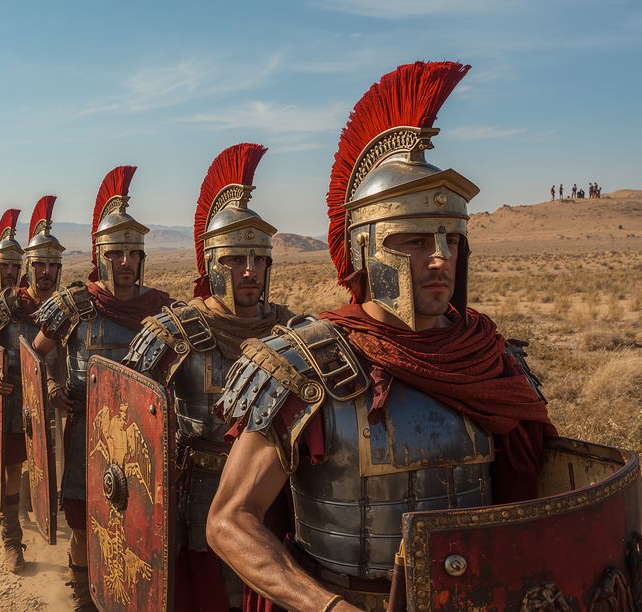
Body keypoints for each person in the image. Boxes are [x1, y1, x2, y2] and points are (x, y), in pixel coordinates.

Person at [206, 61, 554, 612]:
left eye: (451, 240)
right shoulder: (304, 364)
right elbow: (229, 521)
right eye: (413, 240)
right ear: (367, 249)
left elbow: (541, 500)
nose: (439, 257)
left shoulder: (492, 360)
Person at [121, 143, 295, 611]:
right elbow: (126, 419)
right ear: (213, 265)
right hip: (196, 495)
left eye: (258, 260)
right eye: (235, 260)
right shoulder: (173, 332)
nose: (250, 270)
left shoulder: (293, 334)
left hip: (274, 499)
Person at [31, 166, 172, 610]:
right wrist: (54, 382)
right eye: (116, 253)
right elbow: (39, 351)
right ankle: (82, 599)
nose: (125, 262)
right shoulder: (75, 304)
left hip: (141, 447)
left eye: (132, 253)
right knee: (82, 523)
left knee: (137, 531)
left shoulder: (161, 310)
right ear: (101, 255)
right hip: (84, 436)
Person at [0, 196, 63, 573]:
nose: (48, 272)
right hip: (14, 404)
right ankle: (12, 541)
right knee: (13, 470)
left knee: (52, 473)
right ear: (30, 269)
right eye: (42, 265)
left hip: (56, 407)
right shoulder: (5, 305)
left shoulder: (66, 308)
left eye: (54, 264)